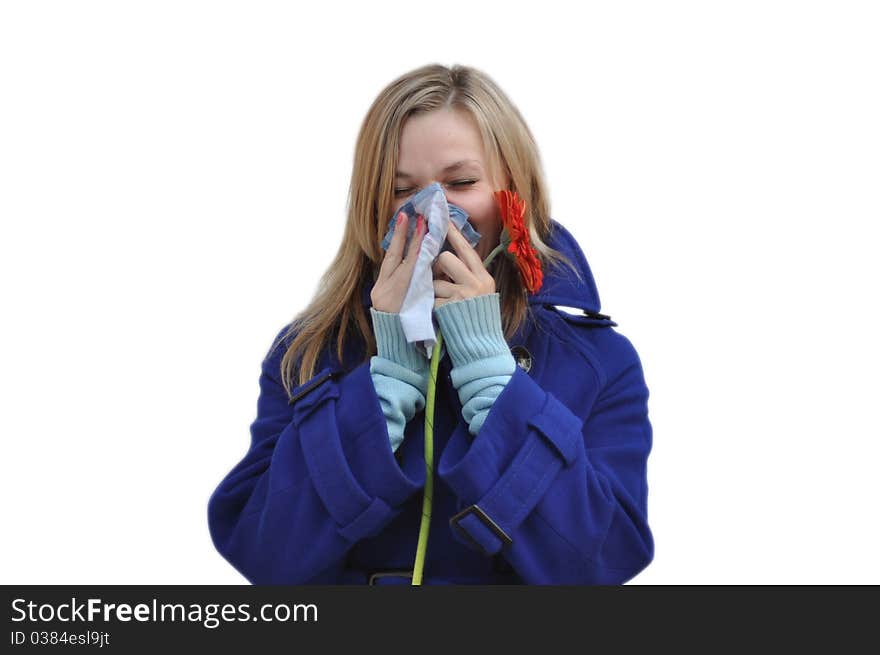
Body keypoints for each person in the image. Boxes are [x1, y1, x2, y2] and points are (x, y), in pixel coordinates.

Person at [207, 63, 655, 585]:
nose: (435, 211)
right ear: (372, 207)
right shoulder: (308, 352)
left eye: (462, 182)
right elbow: (264, 553)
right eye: (403, 191)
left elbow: (603, 562)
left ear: (514, 195)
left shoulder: (598, 361)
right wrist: (382, 386)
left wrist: (494, 378)